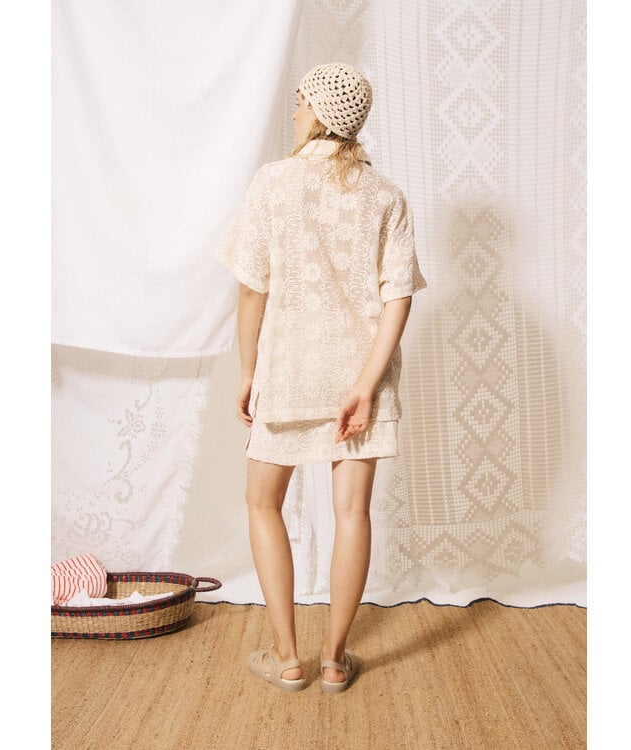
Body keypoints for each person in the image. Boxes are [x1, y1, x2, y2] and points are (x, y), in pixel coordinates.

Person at [216, 62, 426, 693]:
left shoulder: (274, 183)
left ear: (318, 110)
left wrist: (249, 371)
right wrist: (365, 385)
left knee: (262, 503)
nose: (294, 109)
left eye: (300, 98)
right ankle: (334, 659)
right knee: (352, 512)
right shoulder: (385, 195)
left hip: (287, 372)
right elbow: (397, 298)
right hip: (359, 379)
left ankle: (287, 658)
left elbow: (251, 290)